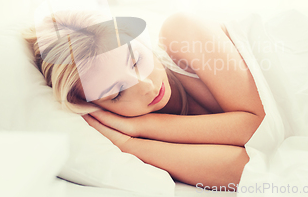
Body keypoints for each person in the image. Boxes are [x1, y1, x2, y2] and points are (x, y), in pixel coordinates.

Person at [21, 10, 265, 189]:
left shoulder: (181, 32)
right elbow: (244, 170)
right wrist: (130, 145)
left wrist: (142, 126)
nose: (146, 85)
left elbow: (260, 127)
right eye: (117, 92)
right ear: (94, 106)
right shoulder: (141, 136)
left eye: (136, 59)